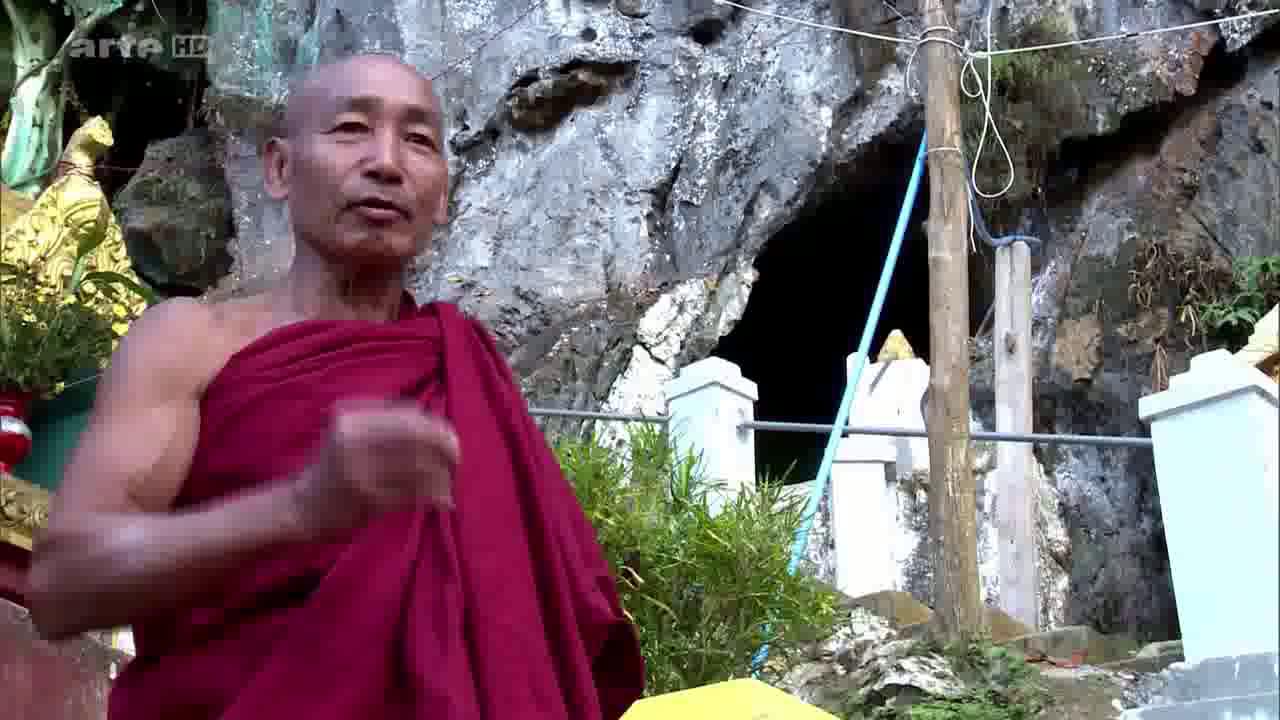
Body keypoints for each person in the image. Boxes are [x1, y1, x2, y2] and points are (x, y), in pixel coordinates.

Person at [25, 53, 646, 720]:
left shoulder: (467, 375)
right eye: (351, 128)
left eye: (418, 141)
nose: (386, 162)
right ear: (280, 169)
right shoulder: (189, 344)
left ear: (442, 197)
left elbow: (541, 638)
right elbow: (65, 585)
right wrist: (298, 508)